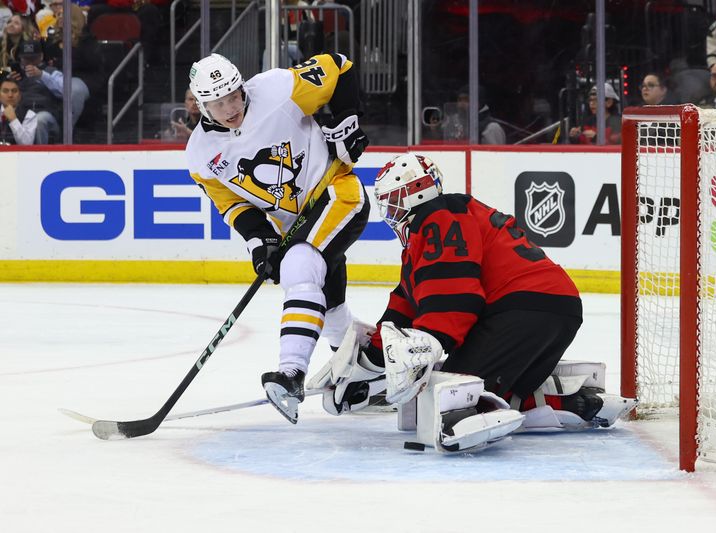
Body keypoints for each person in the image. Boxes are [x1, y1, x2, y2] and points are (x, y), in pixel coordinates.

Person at [308, 153, 636, 453]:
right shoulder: (439, 225)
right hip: (557, 308)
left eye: (393, 203)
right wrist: (365, 360)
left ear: (414, 194)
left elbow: (455, 300)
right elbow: (405, 305)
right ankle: (575, 401)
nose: (390, 213)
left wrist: (429, 348)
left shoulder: (436, 220)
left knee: (446, 391)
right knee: (501, 391)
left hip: (521, 310)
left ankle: (467, 415)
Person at [185, 52, 370, 424]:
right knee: (329, 301)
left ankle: (290, 375)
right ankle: (365, 372)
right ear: (200, 105)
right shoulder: (200, 155)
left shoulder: (277, 89)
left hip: (336, 191)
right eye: (218, 103)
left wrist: (346, 121)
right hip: (293, 224)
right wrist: (261, 242)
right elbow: (234, 205)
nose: (230, 107)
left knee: (300, 264)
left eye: (234, 96)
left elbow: (341, 65)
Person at [0, 75, 37, 144]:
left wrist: (13, 120)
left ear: (20, 95)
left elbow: (27, 144)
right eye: (5, 91)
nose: (10, 95)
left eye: (14, 91)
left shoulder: (29, 115)